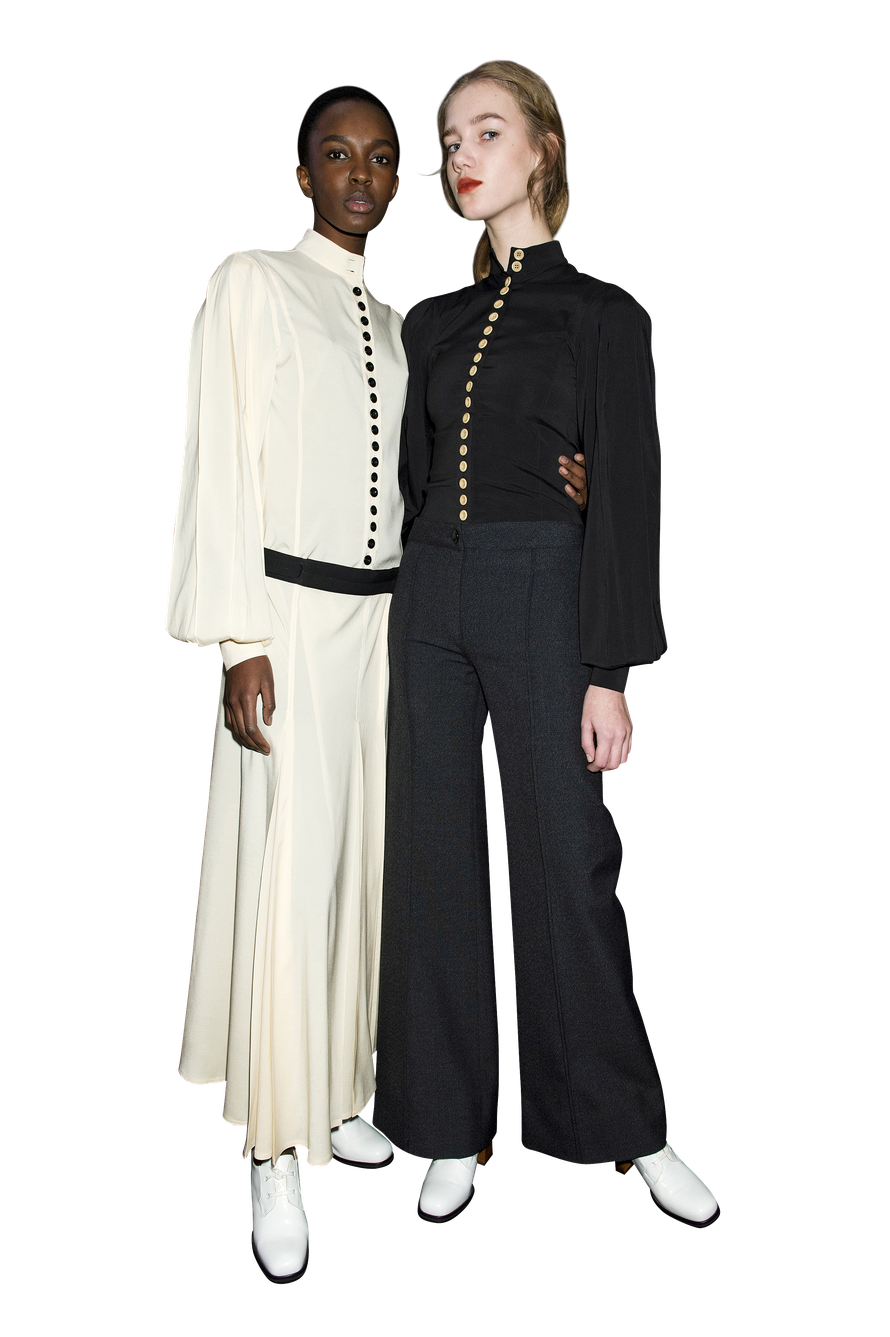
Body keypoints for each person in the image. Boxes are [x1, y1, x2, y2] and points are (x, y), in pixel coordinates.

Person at [164, 85, 591, 1285]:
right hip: (286, 624)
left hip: (392, 626)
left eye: (382, 157)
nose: (360, 173)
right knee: (292, 875)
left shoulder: (408, 324)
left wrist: (570, 472)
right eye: (335, 154)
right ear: (302, 174)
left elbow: (455, 457)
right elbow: (217, 461)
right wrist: (237, 637)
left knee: (370, 876)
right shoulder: (250, 284)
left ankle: (337, 1089)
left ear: (400, 180)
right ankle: (273, 1146)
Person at [370, 59, 721, 1230]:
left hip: (542, 594)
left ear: (541, 150)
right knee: (429, 864)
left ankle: (620, 1125)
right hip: (430, 596)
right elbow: (414, 482)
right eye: (449, 138)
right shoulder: (430, 320)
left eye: (487, 131)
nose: (461, 155)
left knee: (567, 860)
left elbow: (625, 495)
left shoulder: (603, 312)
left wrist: (606, 672)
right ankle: (441, 1119)